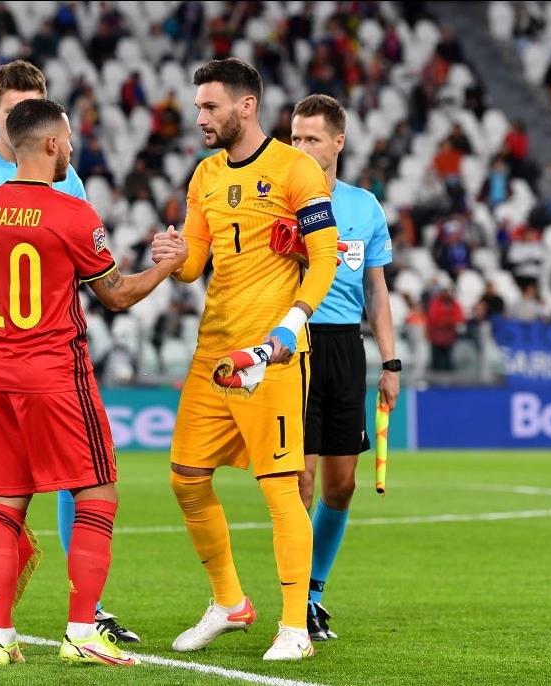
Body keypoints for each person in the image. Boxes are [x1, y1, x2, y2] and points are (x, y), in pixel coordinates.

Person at [0, 97, 187, 667]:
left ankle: (0, 637)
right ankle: (82, 631)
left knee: (5, 503)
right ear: (52, 144)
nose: (72, 149)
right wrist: (168, 266)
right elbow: (118, 294)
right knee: (97, 494)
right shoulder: (73, 214)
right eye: (70, 140)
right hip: (55, 371)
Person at [0, 58, 140, 647]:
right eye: (13, 107)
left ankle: (6, 629)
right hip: (35, 357)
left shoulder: (5, 199)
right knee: (31, 480)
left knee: (5, 496)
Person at [150, 57, 339, 661]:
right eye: (199, 105)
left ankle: (293, 629)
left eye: (210, 106)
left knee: (282, 488)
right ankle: (229, 601)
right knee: (185, 478)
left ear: (246, 105)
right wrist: (173, 253)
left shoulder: (296, 169)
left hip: (270, 357)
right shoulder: (204, 175)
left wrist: (289, 326)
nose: (200, 116)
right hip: (214, 353)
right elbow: (192, 267)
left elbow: (326, 259)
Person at [289, 93, 400, 641]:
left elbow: (376, 292)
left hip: (344, 350)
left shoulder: (364, 207)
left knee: (341, 486)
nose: (302, 147)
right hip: (294, 343)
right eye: (295, 137)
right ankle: (294, 606)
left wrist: (391, 361)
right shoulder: (280, 199)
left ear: (338, 142)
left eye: (312, 138)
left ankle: (313, 594)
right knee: (301, 482)